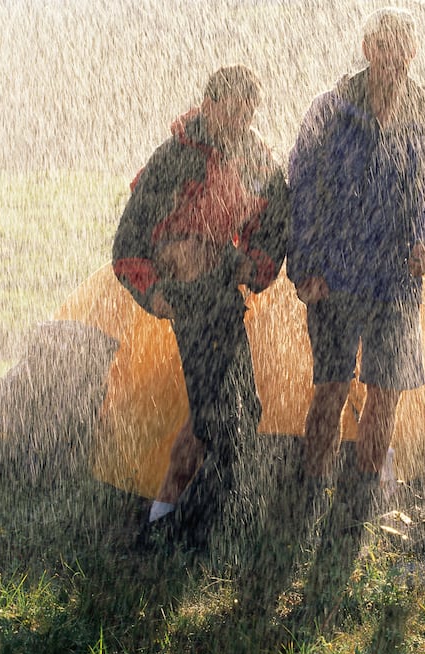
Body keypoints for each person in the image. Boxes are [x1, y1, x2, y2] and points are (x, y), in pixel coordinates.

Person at [285, 7, 425, 620]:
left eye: (404, 49)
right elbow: (300, 185)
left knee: (387, 392)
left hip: (395, 279)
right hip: (334, 274)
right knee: (330, 388)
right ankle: (310, 486)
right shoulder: (331, 108)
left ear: (411, 55)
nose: (395, 58)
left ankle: (360, 493)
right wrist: (303, 264)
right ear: (367, 48)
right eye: (385, 48)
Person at [112, 65, 290, 548]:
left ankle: (165, 517)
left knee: (233, 410)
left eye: (247, 112)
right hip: (189, 301)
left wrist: (249, 265)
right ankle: (198, 533)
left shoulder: (254, 155)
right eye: (231, 110)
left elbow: (277, 217)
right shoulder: (174, 157)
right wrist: (156, 294)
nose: (239, 120)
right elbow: (128, 242)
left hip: (223, 295)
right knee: (219, 418)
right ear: (208, 106)